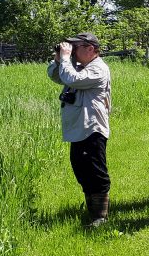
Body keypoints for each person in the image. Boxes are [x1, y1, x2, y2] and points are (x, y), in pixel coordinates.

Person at [46, 32, 112, 227]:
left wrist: (66, 58)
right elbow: (56, 76)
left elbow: (72, 79)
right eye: (71, 48)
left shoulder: (98, 68)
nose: (72, 51)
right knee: (81, 169)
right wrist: (59, 59)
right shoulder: (79, 67)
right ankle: (91, 211)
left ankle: (100, 216)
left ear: (90, 49)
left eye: (77, 48)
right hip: (78, 128)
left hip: (92, 127)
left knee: (95, 171)